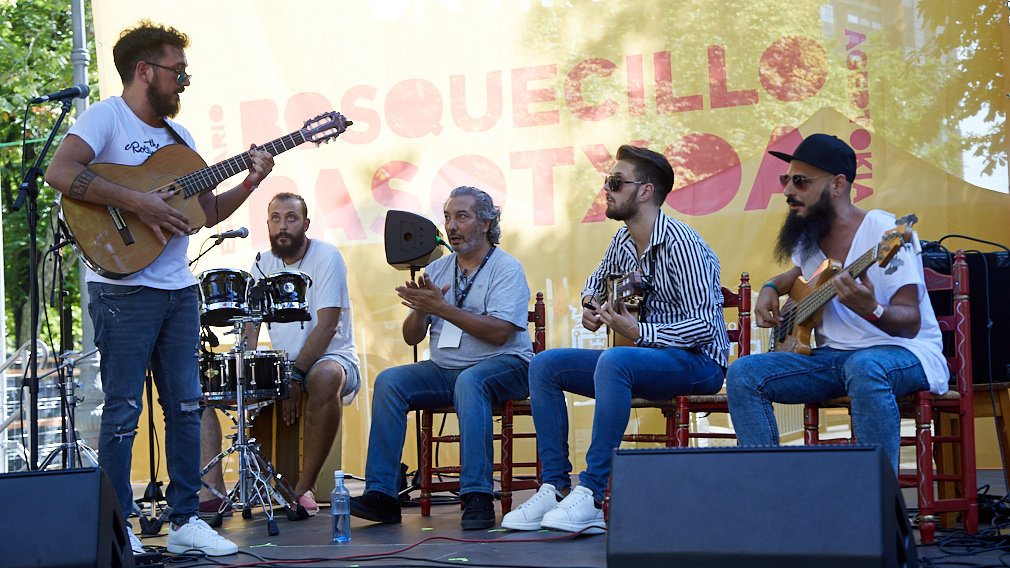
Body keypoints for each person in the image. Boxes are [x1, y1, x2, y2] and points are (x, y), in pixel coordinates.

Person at [44, 21, 275, 557]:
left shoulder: (182, 141)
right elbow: (60, 171)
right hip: (123, 289)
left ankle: (186, 518)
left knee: (186, 407)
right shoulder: (106, 117)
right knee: (123, 410)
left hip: (177, 288)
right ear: (144, 71)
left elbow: (208, 211)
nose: (184, 82)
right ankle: (117, 522)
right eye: (177, 71)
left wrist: (251, 181)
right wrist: (137, 202)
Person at [502, 145, 729, 534]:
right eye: (608, 181)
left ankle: (592, 493)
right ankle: (556, 486)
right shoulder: (623, 241)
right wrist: (592, 304)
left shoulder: (683, 245)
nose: (606, 189)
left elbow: (705, 327)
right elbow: (594, 282)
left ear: (645, 192)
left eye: (615, 182)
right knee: (544, 365)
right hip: (645, 361)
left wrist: (641, 332)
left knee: (614, 360)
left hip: (698, 364)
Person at [724, 133, 947, 473]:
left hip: (901, 352)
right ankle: (764, 493)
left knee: (865, 367)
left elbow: (910, 321)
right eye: (786, 180)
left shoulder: (885, 232)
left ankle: (876, 502)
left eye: (800, 182)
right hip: (832, 361)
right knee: (743, 373)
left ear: (838, 185)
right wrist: (772, 286)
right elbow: (802, 272)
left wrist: (870, 309)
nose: (787, 191)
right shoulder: (809, 237)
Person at [349, 186, 533, 530]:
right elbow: (411, 337)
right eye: (447, 217)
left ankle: (477, 495)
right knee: (390, 381)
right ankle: (383, 495)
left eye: (462, 216)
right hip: (447, 369)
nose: (451, 226)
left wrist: (443, 308)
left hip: (506, 366)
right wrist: (421, 309)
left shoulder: (506, 267)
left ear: (486, 223)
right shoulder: (440, 267)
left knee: (471, 381)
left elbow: (499, 333)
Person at [199, 192, 361, 517]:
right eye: (275, 219)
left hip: (330, 359)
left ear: (306, 224)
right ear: (268, 224)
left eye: (291, 218)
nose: (282, 226)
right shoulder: (262, 263)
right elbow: (252, 326)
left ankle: (305, 488)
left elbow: (328, 326)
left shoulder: (326, 256)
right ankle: (212, 492)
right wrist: (241, 364)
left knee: (324, 375)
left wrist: (295, 375)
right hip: (284, 368)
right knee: (202, 386)